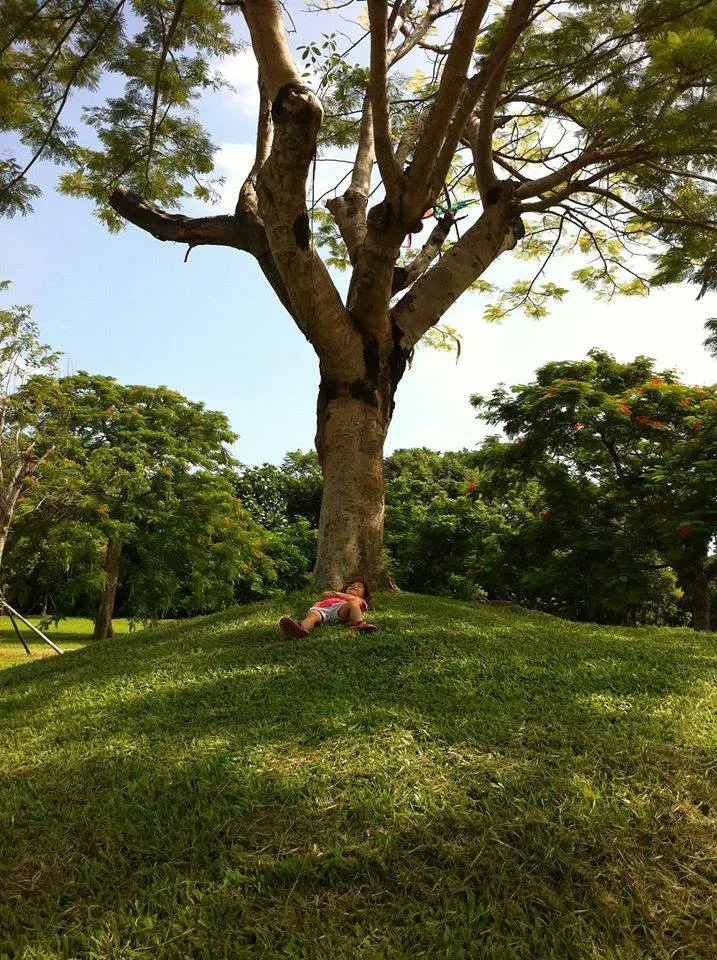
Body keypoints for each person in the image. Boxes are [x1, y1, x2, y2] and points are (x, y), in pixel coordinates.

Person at [279, 578, 376, 639]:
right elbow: (322, 599)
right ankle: (301, 629)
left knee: (353, 603)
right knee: (312, 617)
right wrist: (325, 595)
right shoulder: (336, 596)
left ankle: (359, 624)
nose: (354, 586)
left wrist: (339, 594)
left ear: (364, 594)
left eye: (359, 586)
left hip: (341, 610)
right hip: (321, 609)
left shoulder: (359, 600)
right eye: (351, 586)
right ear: (345, 589)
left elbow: (353, 601)